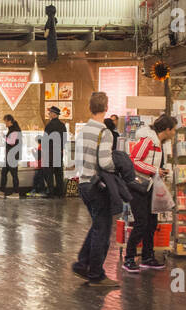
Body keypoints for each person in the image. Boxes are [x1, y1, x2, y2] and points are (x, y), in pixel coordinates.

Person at [73, 92, 120, 288]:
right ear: (106, 107)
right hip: (97, 185)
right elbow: (104, 162)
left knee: (97, 225)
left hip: (83, 183)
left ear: (90, 107)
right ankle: (96, 274)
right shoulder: (105, 132)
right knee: (103, 229)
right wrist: (117, 165)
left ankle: (83, 264)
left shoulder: (83, 131)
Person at [123, 114, 178, 273]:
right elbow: (134, 160)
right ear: (167, 129)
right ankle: (129, 258)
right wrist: (154, 170)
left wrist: (159, 171)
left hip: (150, 187)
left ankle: (148, 256)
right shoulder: (148, 140)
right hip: (139, 187)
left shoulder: (158, 143)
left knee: (151, 222)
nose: (174, 133)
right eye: (173, 130)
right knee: (141, 223)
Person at [0, 114, 24, 198]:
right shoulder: (13, 129)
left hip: (12, 156)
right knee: (4, 173)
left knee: (14, 174)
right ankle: (2, 191)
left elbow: (11, 142)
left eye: (5, 122)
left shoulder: (15, 130)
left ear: (9, 121)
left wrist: (3, 137)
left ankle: (16, 193)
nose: (5, 124)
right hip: (10, 155)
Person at [43, 106, 68, 198]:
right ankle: (60, 192)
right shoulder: (62, 125)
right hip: (59, 152)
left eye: (50, 113)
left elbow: (45, 140)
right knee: (58, 172)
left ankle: (51, 192)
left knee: (49, 172)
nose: (49, 115)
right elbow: (65, 139)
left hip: (50, 152)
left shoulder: (49, 126)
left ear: (54, 114)